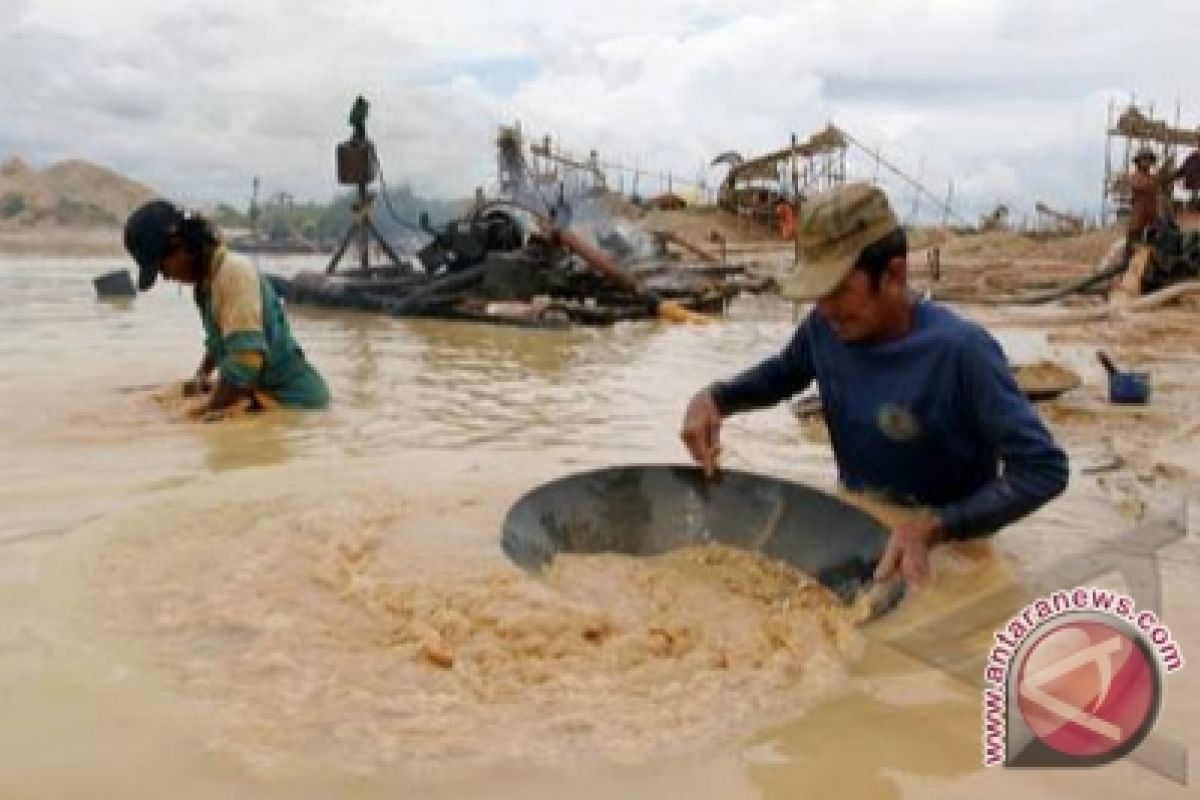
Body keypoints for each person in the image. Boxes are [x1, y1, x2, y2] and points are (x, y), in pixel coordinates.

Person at [679, 183, 1068, 587]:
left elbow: (1043, 470)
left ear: (893, 274)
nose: (826, 308)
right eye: (817, 293)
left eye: (839, 290)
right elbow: (782, 374)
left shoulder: (962, 353)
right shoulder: (825, 328)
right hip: (859, 525)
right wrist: (715, 398)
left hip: (947, 551)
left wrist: (934, 528)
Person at [123, 199, 331, 418]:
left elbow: (245, 361)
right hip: (262, 394)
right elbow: (222, 341)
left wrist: (200, 413)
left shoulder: (233, 273)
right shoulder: (206, 285)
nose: (166, 276)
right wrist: (201, 376)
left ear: (180, 245)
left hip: (296, 404)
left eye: (162, 267)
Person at [1128, 147, 1162, 240]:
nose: (1146, 162)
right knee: (1133, 248)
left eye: (1148, 159)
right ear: (1138, 161)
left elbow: (1157, 197)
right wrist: (1155, 181)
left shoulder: (1153, 178)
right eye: (1144, 159)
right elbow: (1142, 185)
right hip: (1138, 221)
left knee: (1153, 249)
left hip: (1152, 221)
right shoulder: (1134, 177)